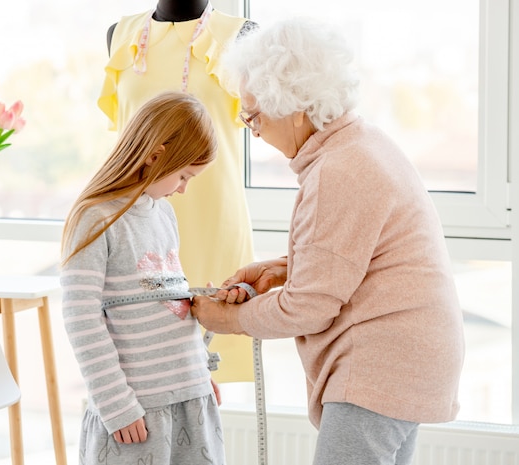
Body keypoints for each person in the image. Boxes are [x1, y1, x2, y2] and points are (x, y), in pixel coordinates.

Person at [191, 17, 465, 465]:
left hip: (381, 369)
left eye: (254, 115)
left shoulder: (337, 171)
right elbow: (361, 251)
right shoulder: (364, 143)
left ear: (294, 105)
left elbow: (307, 308)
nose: (253, 130)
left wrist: (228, 320)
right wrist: (285, 266)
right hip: (411, 361)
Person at [61, 91, 225, 464]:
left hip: (190, 400)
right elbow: (81, 318)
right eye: (183, 175)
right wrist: (116, 404)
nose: (184, 187)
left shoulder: (163, 214)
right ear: (155, 156)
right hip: (136, 410)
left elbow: (172, 302)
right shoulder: (95, 219)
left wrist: (197, 371)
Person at [98, 0, 258, 383]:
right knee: (141, 357)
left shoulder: (242, 36)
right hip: (136, 221)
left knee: (209, 374)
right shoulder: (120, 35)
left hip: (212, 217)